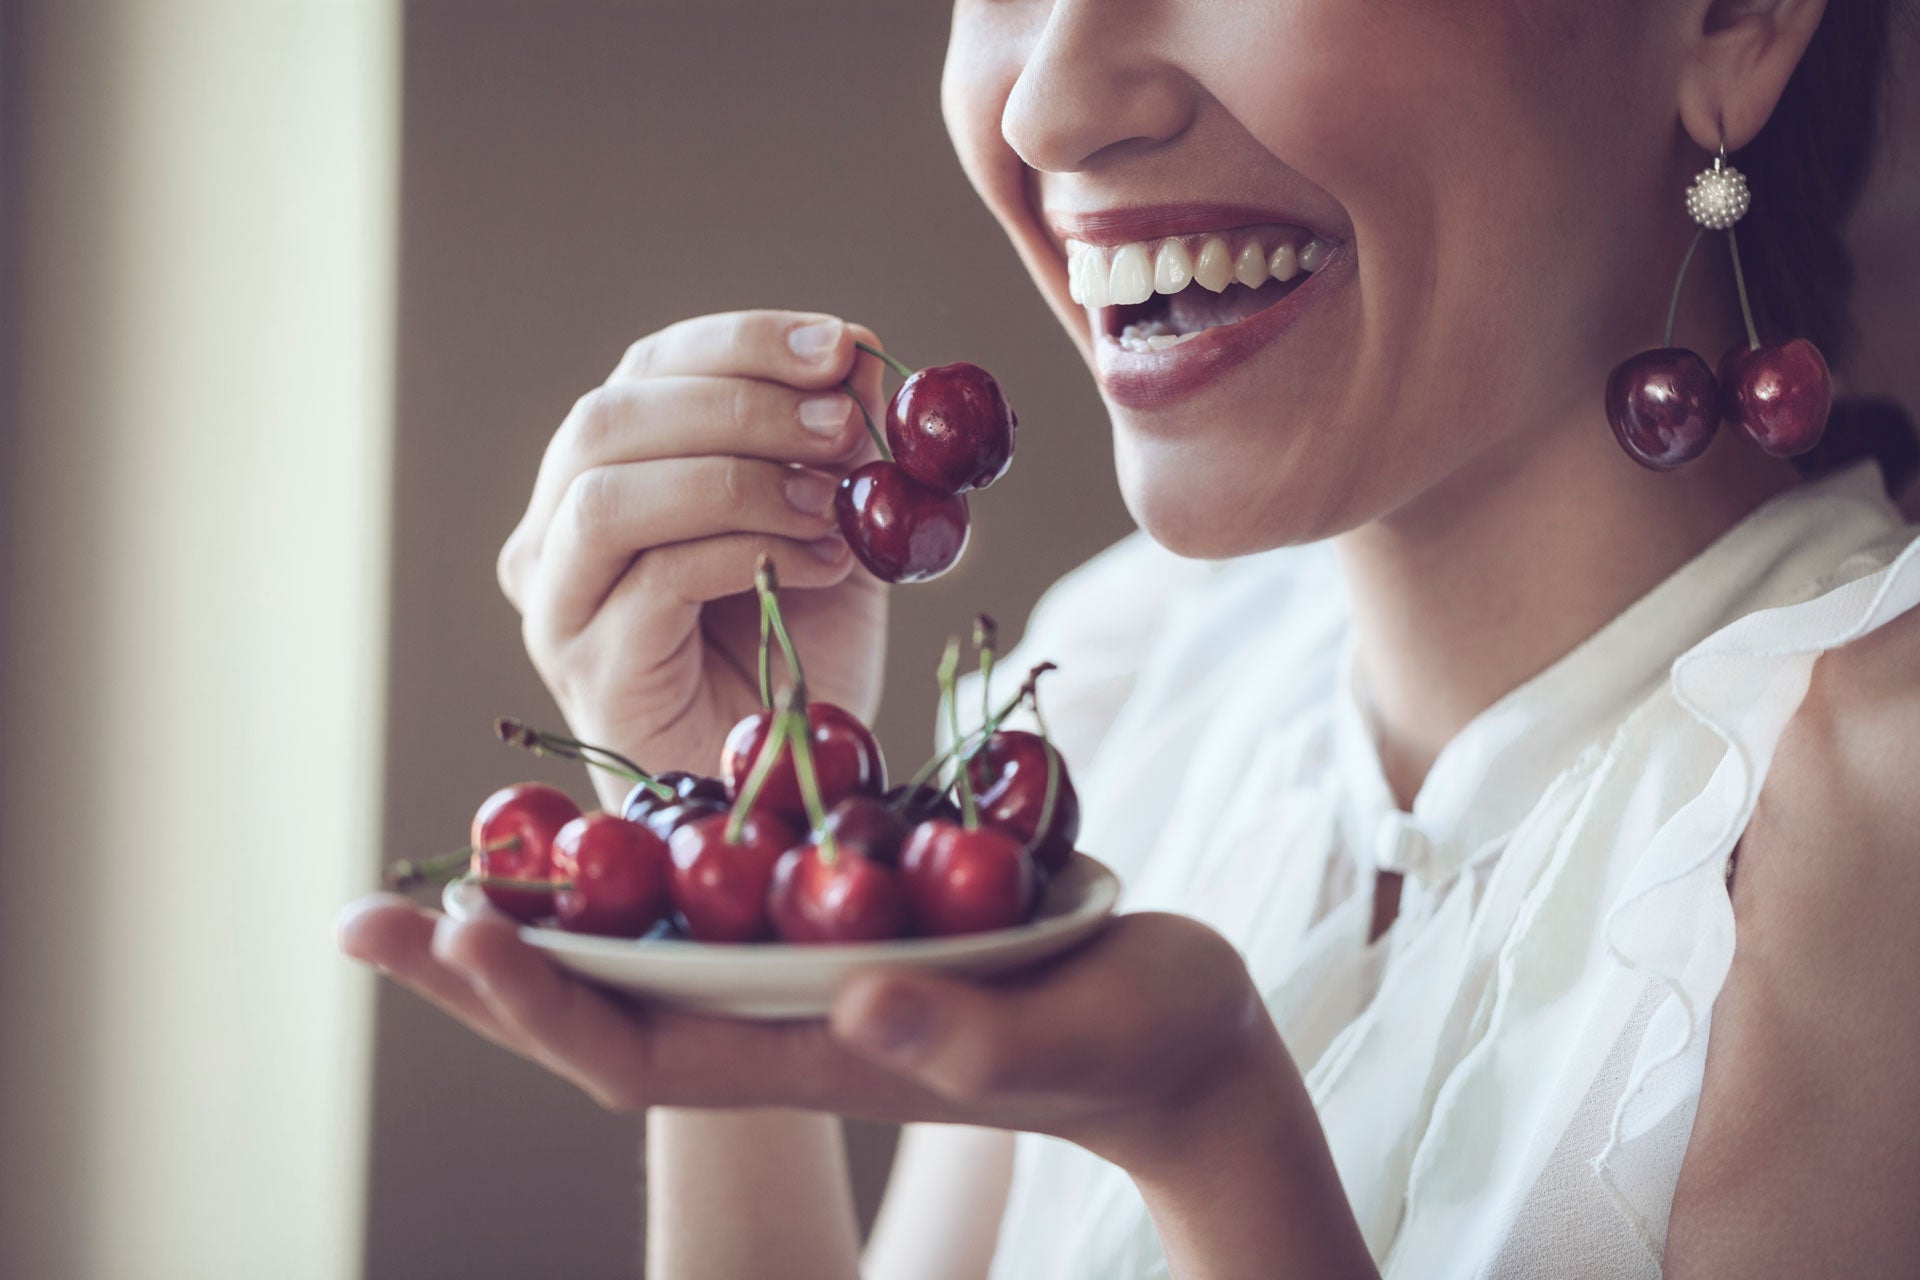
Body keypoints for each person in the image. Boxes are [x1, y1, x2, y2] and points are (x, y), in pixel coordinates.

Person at [338, 1, 1920, 1276]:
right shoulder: (1122, 680)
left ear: (1734, 20)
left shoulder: (1887, 818)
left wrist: (1216, 1138)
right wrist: (732, 859)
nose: (1049, 103)